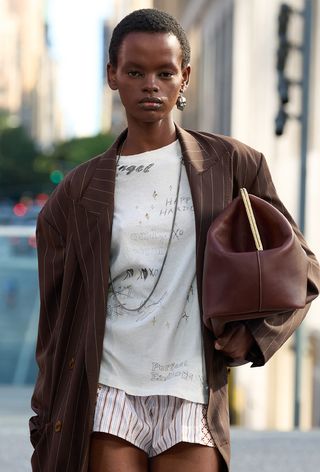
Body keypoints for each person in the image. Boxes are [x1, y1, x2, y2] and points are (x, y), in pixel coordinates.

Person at [29, 8, 320, 472]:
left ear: (185, 76)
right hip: (108, 391)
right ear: (112, 76)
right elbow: (55, 313)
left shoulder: (231, 164)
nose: (151, 84)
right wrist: (45, 416)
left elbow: (302, 267)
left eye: (165, 72)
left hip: (192, 391)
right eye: (135, 72)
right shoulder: (78, 191)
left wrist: (257, 337)